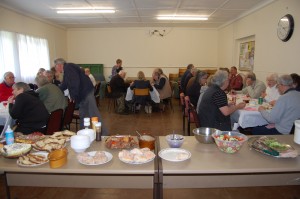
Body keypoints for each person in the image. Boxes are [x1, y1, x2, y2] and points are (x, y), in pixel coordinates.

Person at [54, 58, 107, 135]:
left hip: (86, 93)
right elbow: (65, 84)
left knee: (93, 114)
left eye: (55, 67)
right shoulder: (67, 69)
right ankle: (84, 133)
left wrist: (73, 95)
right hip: (84, 94)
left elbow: (75, 82)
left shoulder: (68, 67)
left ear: (59, 65)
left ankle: (103, 134)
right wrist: (55, 89)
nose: (56, 69)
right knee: (84, 115)